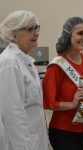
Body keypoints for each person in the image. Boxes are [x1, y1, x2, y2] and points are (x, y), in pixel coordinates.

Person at [43, 16, 83, 150]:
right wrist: (72, 103)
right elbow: (49, 102)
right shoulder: (57, 65)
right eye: (80, 33)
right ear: (68, 35)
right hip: (63, 132)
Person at [0, 10, 49, 150]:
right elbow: (12, 115)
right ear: (13, 34)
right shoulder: (10, 63)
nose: (36, 32)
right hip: (21, 144)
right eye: (30, 29)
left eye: (36, 28)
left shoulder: (26, 61)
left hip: (34, 141)